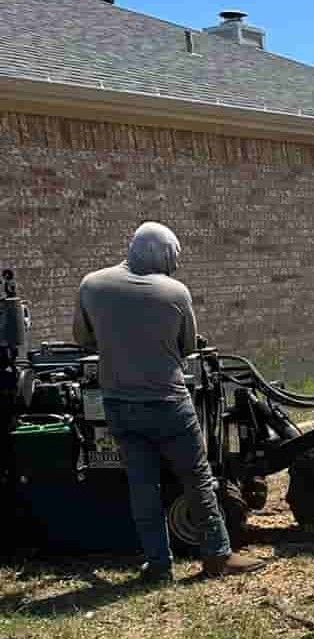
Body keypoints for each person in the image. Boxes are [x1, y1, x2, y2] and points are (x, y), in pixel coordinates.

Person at [73, 222, 264, 582]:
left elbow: (84, 339)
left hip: (118, 404)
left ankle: (158, 565)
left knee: (143, 486)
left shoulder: (91, 285)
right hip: (169, 404)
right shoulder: (176, 293)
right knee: (197, 479)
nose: (174, 267)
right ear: (160, 254)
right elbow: (188, 347)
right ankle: (217, 556)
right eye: (172, 259)